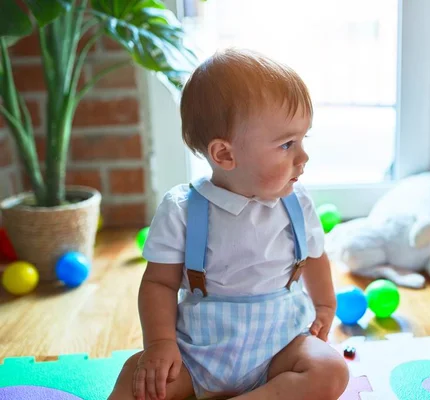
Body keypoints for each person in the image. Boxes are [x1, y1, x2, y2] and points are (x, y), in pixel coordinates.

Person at [108, 48, 349, 400]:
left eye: (302, 139)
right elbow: (159, 283)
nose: (303, 156)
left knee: (331, 371)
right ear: (224, 155)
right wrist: (160, 344)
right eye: (287, 144)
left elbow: (315, 256)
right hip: (197, 353)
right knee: (139, 377)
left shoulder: (297, 203)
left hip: (280, 349)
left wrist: (325, 306)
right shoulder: (182, 209)